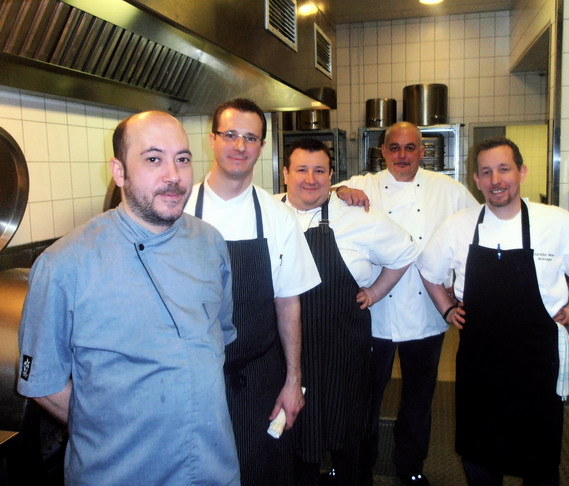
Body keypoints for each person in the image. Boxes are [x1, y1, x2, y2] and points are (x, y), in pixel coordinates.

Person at [17, 111, 240, 486]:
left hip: (213, 468)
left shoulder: (210, 243)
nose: (173, 175)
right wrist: (106, 427)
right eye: (153, 159)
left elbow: (219, 339)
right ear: (119, 172)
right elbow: (43, 381)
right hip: (118, 472)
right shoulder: (65, 264)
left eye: (182, 159)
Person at [419, 136, 569, 486]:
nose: (495, 180)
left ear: (521, 172)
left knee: (539, 451)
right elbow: (429, 271)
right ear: (476, 180)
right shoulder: (458, 225)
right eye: (486, 172)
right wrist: (447, 308)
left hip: (536, 360)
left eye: (504, 169)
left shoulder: (557, 222)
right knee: (479, 449)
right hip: (479, 359)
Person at [183, 98, 320, 485]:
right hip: (189, 377)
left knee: (259, 471)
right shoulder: (180, 209)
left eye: (250, 138)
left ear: (262, 146)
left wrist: (293, 380)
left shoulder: (278, 217)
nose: (240, 146)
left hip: (257, 377)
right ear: (212, 139)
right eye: (230, 135)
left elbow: (288, 303)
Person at [335, 121, 477, 485]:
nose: (402, 155)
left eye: (410, 148)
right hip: (374, 312)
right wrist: (342, 191)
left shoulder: (449, 191)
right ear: (382, 152)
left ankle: (410, 468)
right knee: (365, 398)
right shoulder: (364, 185)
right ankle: (360, 467)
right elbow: (321, 192)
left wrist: (461, 286)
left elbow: (477, 231)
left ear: (422, 152)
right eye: (394, 148)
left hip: (427, 312)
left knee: (419, 397)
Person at [278, 138, 421, 485]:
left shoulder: (355, 215)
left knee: (350, 436)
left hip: (343, 351)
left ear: (331, 176)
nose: (310, 179)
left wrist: (375, 292)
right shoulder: (268, 214)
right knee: (292, 437)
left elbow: (405, 251)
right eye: (301, 170)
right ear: (285, 174)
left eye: (319, 171)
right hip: (283, 353)